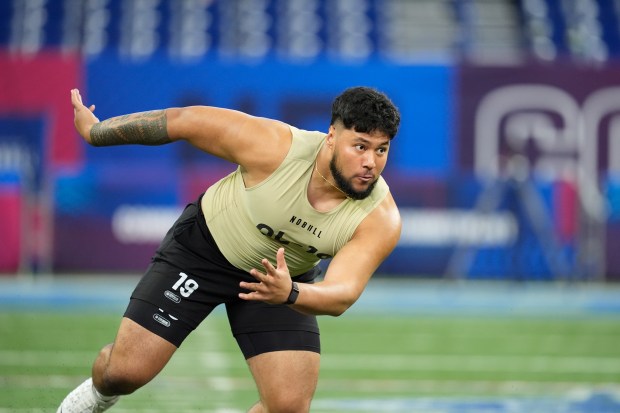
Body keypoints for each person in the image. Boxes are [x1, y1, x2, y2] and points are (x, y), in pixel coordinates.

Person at [58, 86, 402, 413]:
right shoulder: (275, 147)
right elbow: (183, 121)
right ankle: (97, 394)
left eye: (381, 149)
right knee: (126, 373)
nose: (371, 161)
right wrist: (96, 133)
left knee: (288, 407)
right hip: (202, 253)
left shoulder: (379, 217)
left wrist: (290, 293)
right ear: (331, 136)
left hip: (277, 283)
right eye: (360, 146)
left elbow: (341, 294)